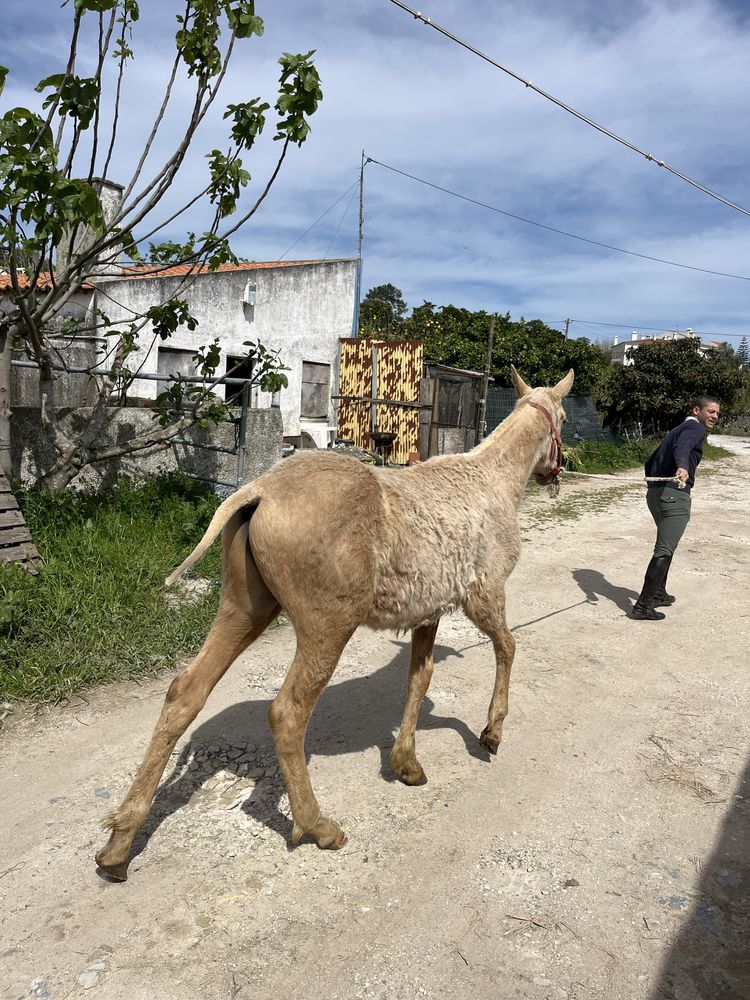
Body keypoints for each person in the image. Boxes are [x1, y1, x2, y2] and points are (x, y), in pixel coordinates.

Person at [631, 395, 721, 621]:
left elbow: (651, 459)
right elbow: (683, 448)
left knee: (667, 545)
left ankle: (659, 593)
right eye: (711, 411)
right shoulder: (695, 429)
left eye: (717, 413)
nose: (715, 416)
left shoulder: (676, 429)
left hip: (656, 495)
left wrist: (655, 483)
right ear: (696, 410)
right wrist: (682, 466)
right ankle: (643, 606)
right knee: (663, 549)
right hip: (674, 496)